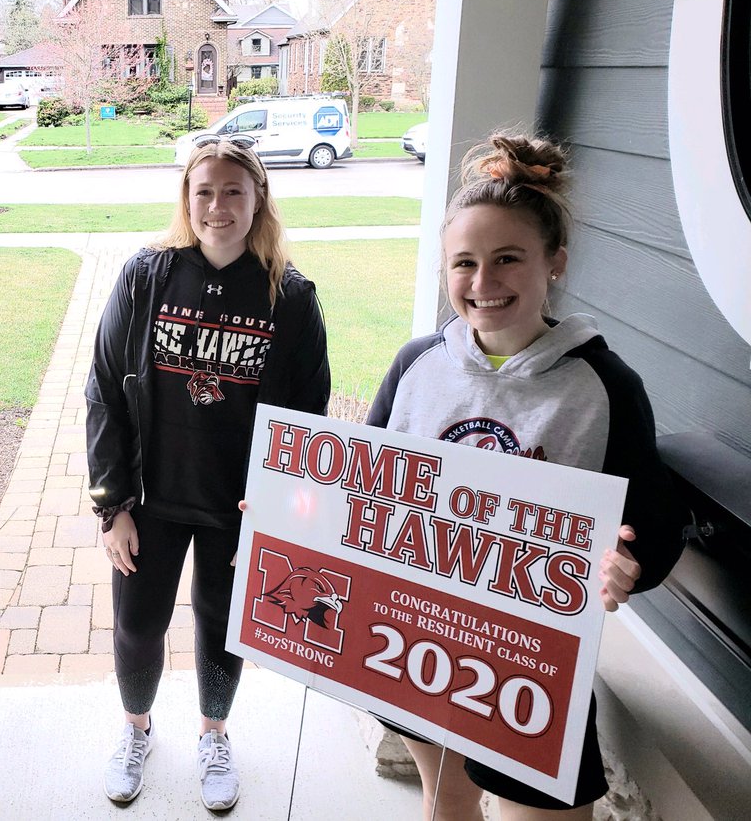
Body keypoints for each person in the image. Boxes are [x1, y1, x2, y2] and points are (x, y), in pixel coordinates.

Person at [365, 132, 686, 820]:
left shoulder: (604, 385)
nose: (483, 284)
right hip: (417, 636)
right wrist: (288, 505)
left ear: (555, 263)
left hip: (533, 663)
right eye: (465, 263)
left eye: (507, 259)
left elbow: (653, 522)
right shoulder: (417, 365)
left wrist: (629, 561)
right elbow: (360, 482)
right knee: (445, 803)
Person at [86, 135, 331, 810]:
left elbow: (309, 416)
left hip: (238, 508)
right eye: (204, 191)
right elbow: (105, 387)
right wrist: (112, 506)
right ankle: (136, 730)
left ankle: (214, 735)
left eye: (232, 191)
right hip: (151, 501)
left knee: (224, 627)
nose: (217, 206)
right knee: (138, 625)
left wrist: (280, 507)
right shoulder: (147, 276)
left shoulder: (292, 296)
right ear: (186, 198)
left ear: (258, 200)